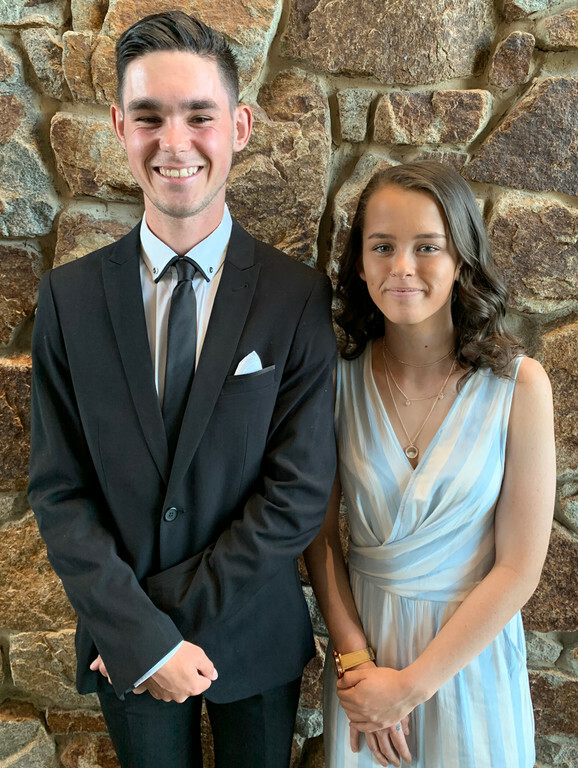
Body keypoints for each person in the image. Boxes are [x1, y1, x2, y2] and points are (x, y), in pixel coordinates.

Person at [28, 10, 337, 768]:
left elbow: (298, 492)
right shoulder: (68, 299)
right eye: (149, 117)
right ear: (118, 126)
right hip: (125, 649)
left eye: (199, 115)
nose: (175, 142)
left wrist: (150, 625)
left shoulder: (295, 298)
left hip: (246, 639)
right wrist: (136, 637)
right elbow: (60, 491)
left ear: (239, 125)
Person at [304, 161, 555, 768]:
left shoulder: (520, 387)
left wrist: (411, 686)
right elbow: (319, 535)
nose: (402, 267)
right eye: (382, 247)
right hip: (366, 666)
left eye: (427, 247)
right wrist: (357, 663)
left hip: (470, 666)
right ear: (360, 265)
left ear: (461, 261)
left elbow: (520, 568)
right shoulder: (334, 384)